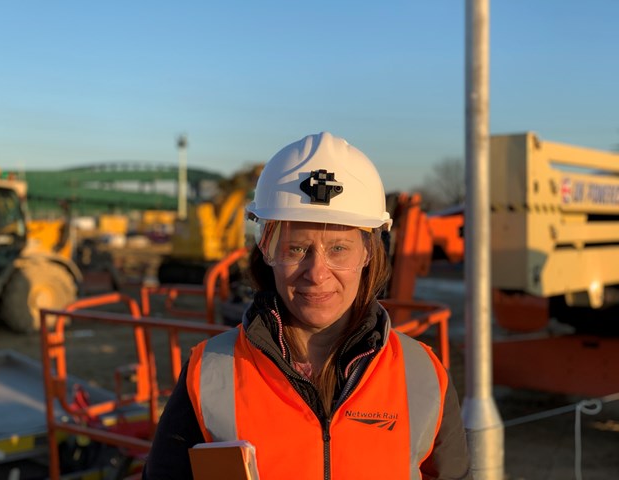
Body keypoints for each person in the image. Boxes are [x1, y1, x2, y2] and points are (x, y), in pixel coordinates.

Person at [143, 132, 472, 479]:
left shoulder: (421, 375)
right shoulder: (209, 374)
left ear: (369, 254)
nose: (316, 274)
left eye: (339, 249)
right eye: (296, 248)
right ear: (266, 254)